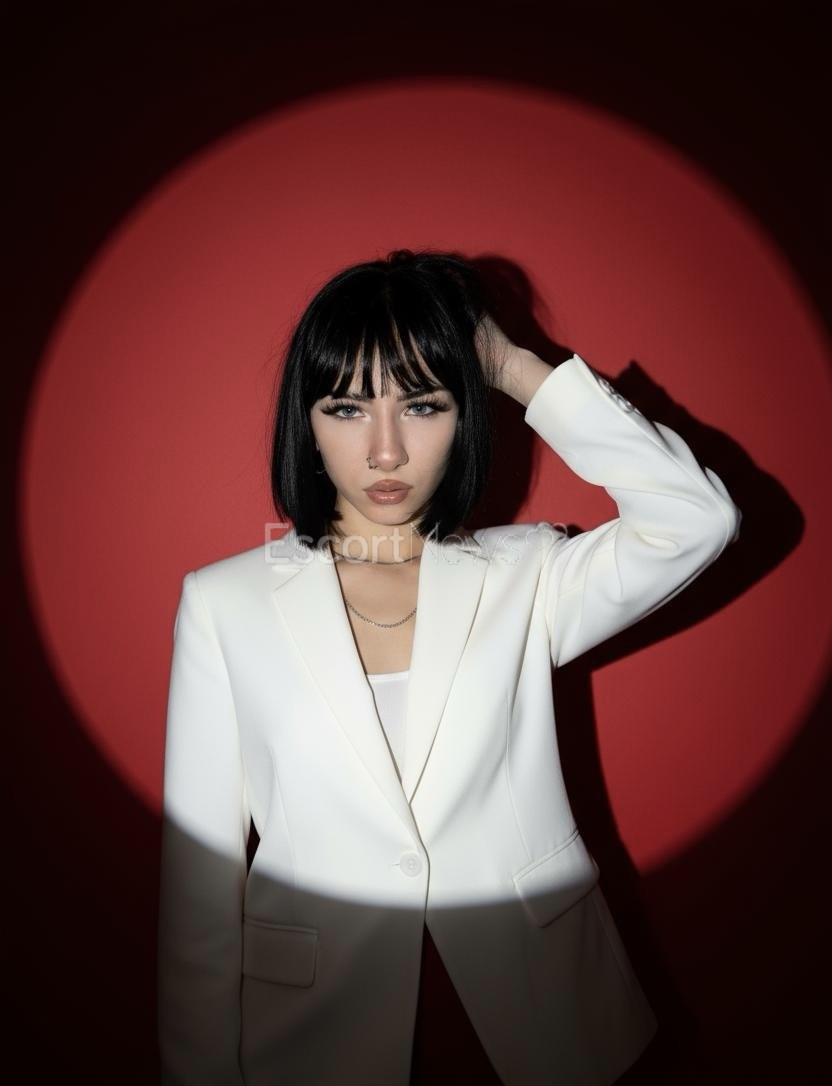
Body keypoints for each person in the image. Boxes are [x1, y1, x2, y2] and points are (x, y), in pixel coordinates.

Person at [158, 249, 739, 1086]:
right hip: (319, 1035)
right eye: (347, 407)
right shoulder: (224, 604)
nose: (386, 451)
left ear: (466, 413)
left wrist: (509, 363)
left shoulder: (527, 574)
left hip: (544, 1017)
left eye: (424, 404)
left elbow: (696, 519)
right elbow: (199, 889)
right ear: (306, 422)